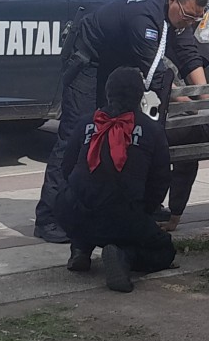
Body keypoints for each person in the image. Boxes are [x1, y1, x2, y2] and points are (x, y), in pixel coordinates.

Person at [34, 0, 209, 243]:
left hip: (114, 62)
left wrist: (205, 97)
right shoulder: (145, 19)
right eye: (187, 16)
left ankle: (115, 206)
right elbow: (158, 79)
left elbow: (187, 54)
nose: (189, 23)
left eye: (196, 18)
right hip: (87, 61)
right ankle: (48, 217)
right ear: (173, 0)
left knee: (125, 132)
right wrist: (192, 104)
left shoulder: (182, 14)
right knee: (75, 133)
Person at [54, 67, 176, 293]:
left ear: (107, 93)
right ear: (140, 96)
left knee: (88, 200)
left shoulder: (85, 123)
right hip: (122, 218)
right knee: (163, 250)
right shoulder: (151, 130)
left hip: (73, 213)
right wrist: (144, 213)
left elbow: (66, 167)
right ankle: (123, 255)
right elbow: (160, 180)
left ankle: (81, 247)